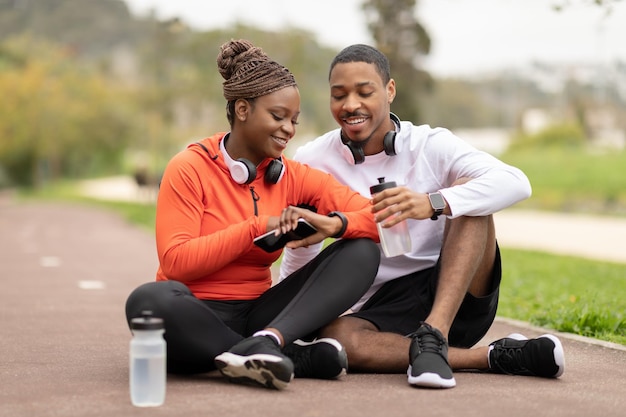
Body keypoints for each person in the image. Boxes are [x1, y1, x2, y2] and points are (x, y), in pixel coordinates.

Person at [280, 44, 565, 389]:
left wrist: (433, 202)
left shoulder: (432, 145)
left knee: (468, 195)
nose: (350, 105)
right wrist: (288, 325)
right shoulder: (313, 158)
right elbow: (302, 246)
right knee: (340, 337)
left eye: (364, 92)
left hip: (455, 291)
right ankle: (493, 356)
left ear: (390, 91)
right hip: (381, 308)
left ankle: (436, 333)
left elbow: (517, 183)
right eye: (338, 95)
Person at [125, 39, 382, 391]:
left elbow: (375, 215)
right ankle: (289, 356)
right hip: (195, 313)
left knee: (362, 249)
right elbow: (176, 262)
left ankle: (269, 342)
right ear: (242, 110)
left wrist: (336, 224)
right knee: (148, 302)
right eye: (278, 117)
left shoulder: (292, 175)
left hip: (260, 314)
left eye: (293, 120)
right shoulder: (189, 167)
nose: (289, 130)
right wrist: (257, 227)